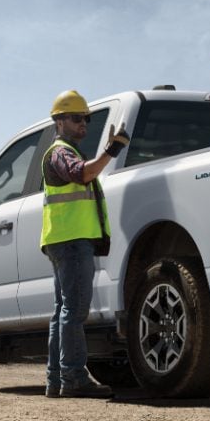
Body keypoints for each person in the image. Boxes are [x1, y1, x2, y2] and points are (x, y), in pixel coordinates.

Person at [40, 89, 129, 398]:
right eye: (77, 119)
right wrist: (111, 150)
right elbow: (83, 174)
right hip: (71, 240)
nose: (84, 125)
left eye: (86, 119)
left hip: (62, 239)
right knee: (73, 312)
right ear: (60, 121)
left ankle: (56, 379)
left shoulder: (64, 150)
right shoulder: (61, 152)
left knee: (62, 311)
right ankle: (74, 377)